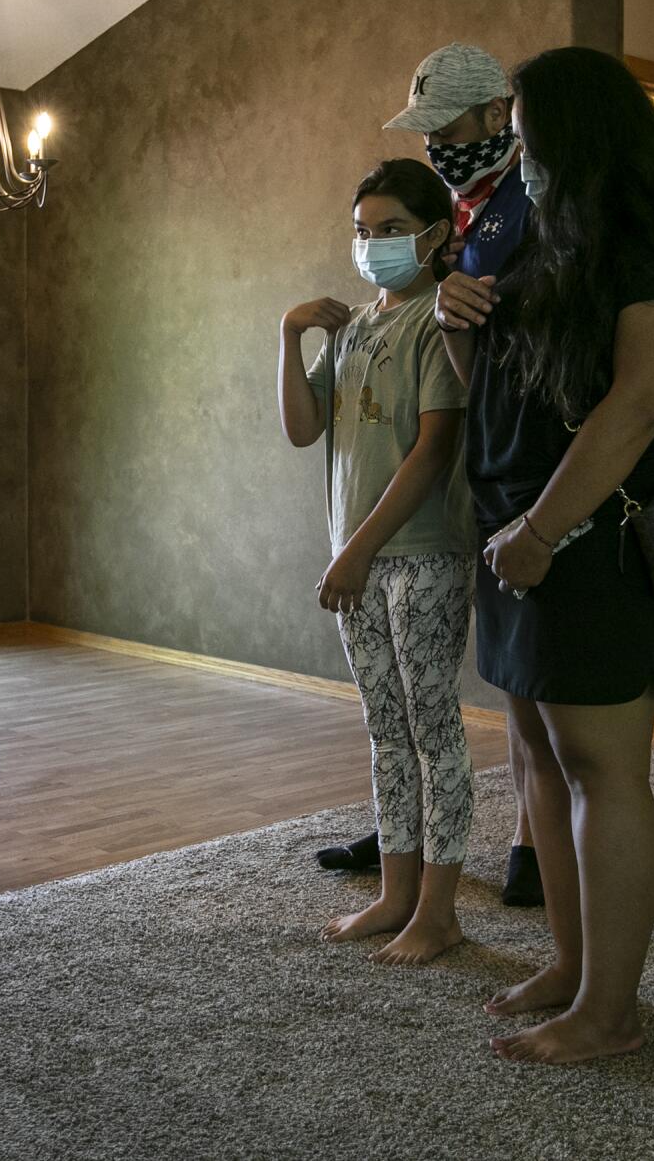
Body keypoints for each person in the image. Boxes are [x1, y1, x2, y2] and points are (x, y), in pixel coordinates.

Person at [434, 47, 654, 1063]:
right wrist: (454, 323)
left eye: (526, 141)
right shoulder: (542, 230)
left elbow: (639, 401)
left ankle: (608, 1015)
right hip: (517, 522)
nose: (517, 160)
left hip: (592, 534)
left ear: (576, 136)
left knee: (602, 769)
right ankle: (570, 966)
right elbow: (504, 385)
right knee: (536, 756)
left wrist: (537, 533)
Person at [316, 42, 542, 909]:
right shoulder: (456, 212)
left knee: (491, 704)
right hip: (459, 498)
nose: (437, 147)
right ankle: (401, 863)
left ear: (498, 115)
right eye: (427, 134)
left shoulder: (532, 207)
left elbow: (439, 434)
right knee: (398, 719)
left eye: (446, 129)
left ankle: (519, 848)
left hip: (485, 498)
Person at [277, 159, 476, 965]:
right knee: (385, 730)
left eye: (391, 229)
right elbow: (301, 427)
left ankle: (440, 909)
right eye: (363, 231)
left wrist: (357, 552)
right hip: (357, 563)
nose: (374, 244)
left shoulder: (440, 321)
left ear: (435, 232)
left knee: (435, 733)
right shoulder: (356, 326)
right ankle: (395, 893)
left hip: (422, 558)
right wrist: (289, 338)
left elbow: (434, 451)